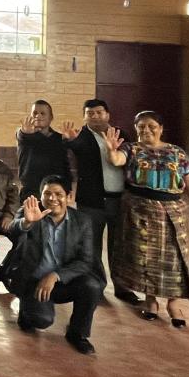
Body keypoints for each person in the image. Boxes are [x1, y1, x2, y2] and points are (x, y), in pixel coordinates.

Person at [102, 111, 189, 328]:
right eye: (141, 126)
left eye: (151, 126)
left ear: (161, 128)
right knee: (145, 258)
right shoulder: (131, 149)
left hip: (173, 212)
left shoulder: (177, 153)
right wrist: (111, 150)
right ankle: (151, 302)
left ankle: (173, 304)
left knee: (175, 259)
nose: (146, 130)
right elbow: (116, 160)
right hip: (139, 211)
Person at [5, 175, 101, 355]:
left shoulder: (83, 221)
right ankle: (26, 311)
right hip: (33, 280)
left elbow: (86, 261)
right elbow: (12, 232)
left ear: (69, 197)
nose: (52, 198)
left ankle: (77, 333)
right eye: (47, 193)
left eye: (58, 194)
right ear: (40, 196)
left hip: (61, 281)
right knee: (42, 321)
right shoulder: (30, 213)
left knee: (92, 286)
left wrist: (55, 276)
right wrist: (27, 222)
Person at [61, 100, 139, 304]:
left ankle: (122, 288)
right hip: (91, 202)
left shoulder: (120, 134)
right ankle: (96, 286)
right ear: (85, 117)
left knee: (119, 246)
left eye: (99, 112)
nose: (95, 116)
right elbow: (75, 146)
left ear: (108, 114)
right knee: (91, 246)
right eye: (90, 113)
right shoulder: (81, 136)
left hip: (120, 200)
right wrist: (69, 141)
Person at [16, 100, 71, 201]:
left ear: (51, 118)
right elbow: (22, 135)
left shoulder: (59, 138)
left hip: (54, 190)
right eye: (35, 113)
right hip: (30, 190)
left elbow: (65, 165)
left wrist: (68, 187)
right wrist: (24, 132)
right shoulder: (25, 136)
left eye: (42, 113)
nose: (38, 116)